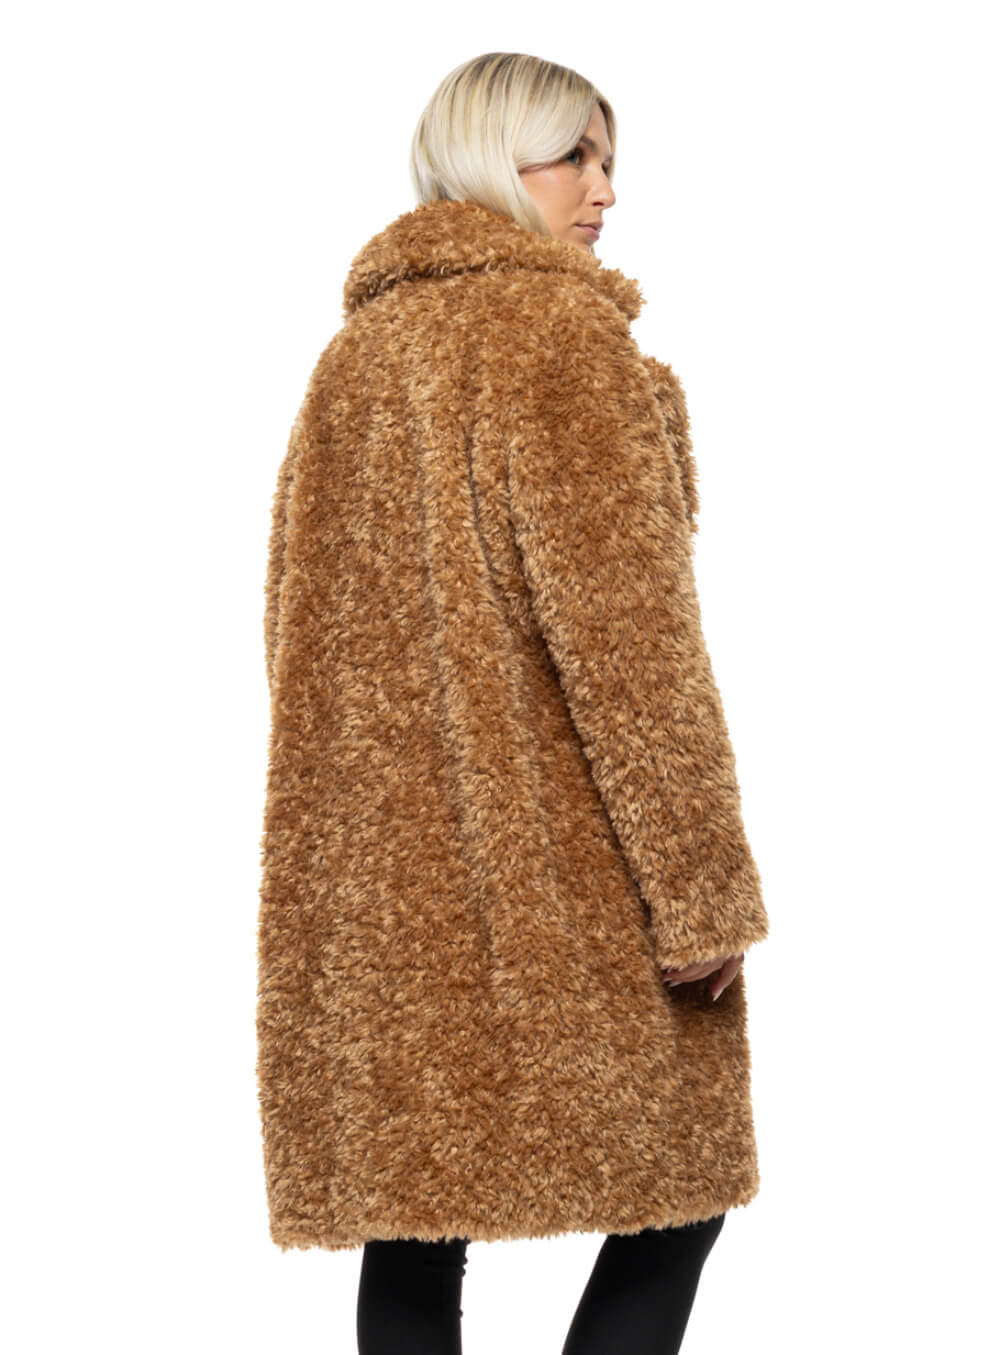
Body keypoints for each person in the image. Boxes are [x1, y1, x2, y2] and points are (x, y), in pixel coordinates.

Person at [257, 51, 770, 1355]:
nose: (604, 192)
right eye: (573, 158)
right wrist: (700, 887)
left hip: (382, 889)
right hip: (560, 872)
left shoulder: (354, 361)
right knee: (682, 1189)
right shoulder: (563, 339)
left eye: (610, 161)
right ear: (495, 157)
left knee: (416, 1213)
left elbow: (293, 631)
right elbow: (633, 648)